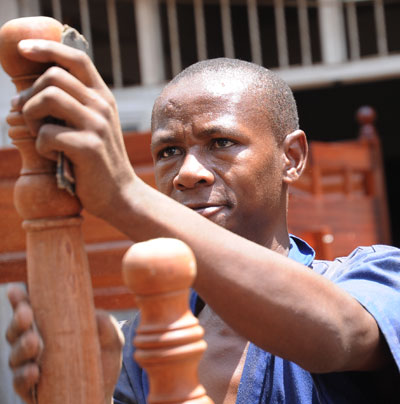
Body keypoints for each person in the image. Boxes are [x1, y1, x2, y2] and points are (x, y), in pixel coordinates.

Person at [5, 39, 400, 404]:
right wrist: (87, 387)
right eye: (169, 151)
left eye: (221, 143)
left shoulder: (376, 279)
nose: (188, 173)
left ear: (291, 157)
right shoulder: (146, 337)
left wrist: (122, 194)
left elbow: (338, 333)